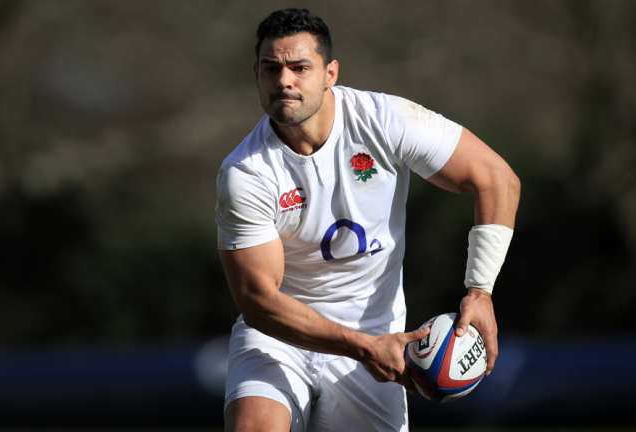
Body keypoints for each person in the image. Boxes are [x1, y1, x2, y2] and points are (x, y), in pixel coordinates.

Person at [216, 8, 520, 432]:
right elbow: (258, 302)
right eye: (271, 68)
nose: (284, 80)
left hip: (378, 332)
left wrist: (480, 291)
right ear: (257, 75)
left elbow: (496, 179)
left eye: (300, 67)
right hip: (281, 338)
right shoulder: (246, 172)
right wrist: (360, 346)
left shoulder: (384, 120)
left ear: (330, 73)